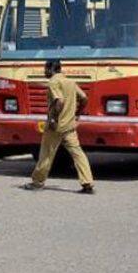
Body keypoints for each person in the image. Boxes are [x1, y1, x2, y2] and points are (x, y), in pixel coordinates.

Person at [24, 59, 95, 194]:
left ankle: (37, 182)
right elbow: (84, 98)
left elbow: (59, 101)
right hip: (69, 126)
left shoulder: (53, 82)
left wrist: (53, 120)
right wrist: (77, 114)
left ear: (51, 69)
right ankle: (87, 183)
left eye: (45, 69)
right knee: (78, 154)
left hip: (55, 127)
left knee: (46, 155)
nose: (44, 71)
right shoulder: (70, 82)